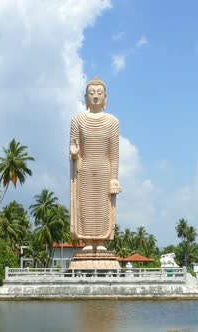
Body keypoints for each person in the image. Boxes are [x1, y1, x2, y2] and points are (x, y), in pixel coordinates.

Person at [69, 76, 121, 251]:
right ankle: (88, 241)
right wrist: (74, 153)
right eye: (92, 93)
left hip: (104, 171)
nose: (96, 96)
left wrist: (114, 178)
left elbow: (114, 155)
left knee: (102, 208)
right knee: (85, 206)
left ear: (105, 97)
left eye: (99, 93)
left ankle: (100, 242)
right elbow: (73, 147)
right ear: (86, 98)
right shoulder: (77, 120)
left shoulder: (113, 122)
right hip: (84, 171)